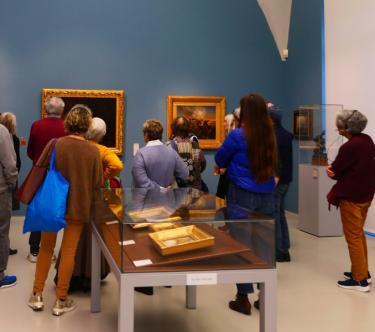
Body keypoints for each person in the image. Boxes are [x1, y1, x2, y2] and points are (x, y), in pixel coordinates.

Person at [28, 105, 103, 316]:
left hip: (52, 205)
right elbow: (97, 182)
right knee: (68, 252)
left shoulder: (55, 144)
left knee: (46, 248)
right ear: (87, 125)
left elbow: (40, 168)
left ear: (68, 122)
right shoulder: (93, 151)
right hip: (78, 207)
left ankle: (37, 295)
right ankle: (61, 300)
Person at [215, 93, 277, 315]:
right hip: (267, 194)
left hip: (241, 194)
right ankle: (265, 295)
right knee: (264, 244)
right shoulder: (269, 134)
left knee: (240, 245)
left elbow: (220, 158)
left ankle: (243, 298)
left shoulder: (238, 135)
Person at [54, 117, 123, 292]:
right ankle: (90, 275)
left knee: (72, 239)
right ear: (101, 134)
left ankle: (69, 277)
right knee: (93, 236)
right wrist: (104, 176)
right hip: (93, 197)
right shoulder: (102, 150)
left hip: (74, 196)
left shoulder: (76, 146)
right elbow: (117, 165)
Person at [327, 110, 375, 292]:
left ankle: (360, 280)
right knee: (359, 234)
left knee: (353, 237)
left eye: (339, 126)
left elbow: (335, 171)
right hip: (366, 195)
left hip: (351, 197)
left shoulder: (349, 147)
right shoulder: (367, 140)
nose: (338, 129)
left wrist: (329, 171)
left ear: (346, 128)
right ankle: (361, 271)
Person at [26, 97, 66, 263]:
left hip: (38, 173)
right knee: (55, 210)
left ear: (46, 109)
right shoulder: (66, 127)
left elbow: (30, 151)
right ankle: (49, 251)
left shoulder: (37, 125)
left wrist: (39, 161)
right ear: (62, 111)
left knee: (37, 210)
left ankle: (34, 251)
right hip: (59, 176)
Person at [268, 103, 293, 262]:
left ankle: (278, 251)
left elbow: (277, 162)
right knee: (281, 213)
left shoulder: (274, 136)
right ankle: (284, 248)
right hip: (285, 180)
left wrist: (274, 178)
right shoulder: (285, 134)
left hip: (277, 180)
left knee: (275, 215)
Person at [132, 119, 188, 190]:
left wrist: (160, 189)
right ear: (161, 135)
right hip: (168, 198)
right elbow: (184, 174)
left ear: (146, 135)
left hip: (147, 199)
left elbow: (140, 181)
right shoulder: (172, 152)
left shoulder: (140, 154)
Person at [0, 123, 18, 289]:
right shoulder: (1, 131)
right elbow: (9, 162)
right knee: (1, 232)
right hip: (0, 191)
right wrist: (13, 183)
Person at [0, 112, 21, 255]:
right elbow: (11, 162)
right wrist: (12, 181)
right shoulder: (6, 135)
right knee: (3, 227)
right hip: (3, 185)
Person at [169, 116, 207, 191]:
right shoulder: (194, 144)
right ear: (188, 128)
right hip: (195, 187)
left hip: (178, 188)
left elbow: (168, 169)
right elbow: (203, 163)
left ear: (173, 129)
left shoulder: (170, 145)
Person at [216, 108, 240, 199]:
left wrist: (224, 165)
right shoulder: (228, 136)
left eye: (225, 121)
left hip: (230, 173)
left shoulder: (233, 136)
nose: (223, 123)